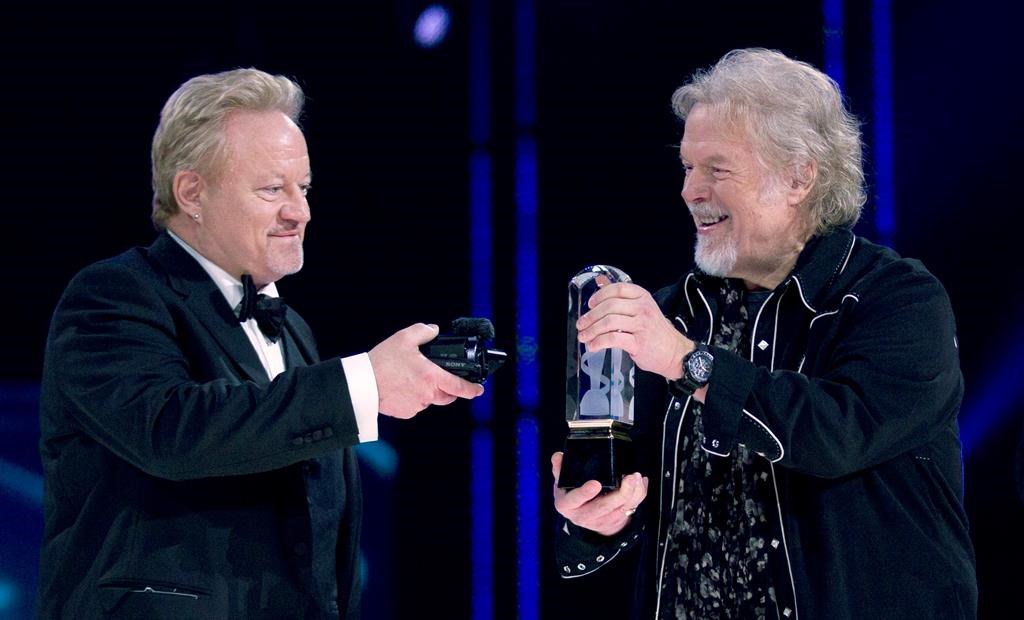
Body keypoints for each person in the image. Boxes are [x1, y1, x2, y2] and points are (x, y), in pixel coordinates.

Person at [36, 68, 484, 619]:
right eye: (273, 189)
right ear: (192, 193)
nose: (301, 211)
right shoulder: (114, 295)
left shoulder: (293, 328)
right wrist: (364, 383)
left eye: (304, 188)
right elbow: (173, 430)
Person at [552, 49, 976, 619]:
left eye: (717, 169)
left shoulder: (897, 300)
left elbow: (836, 435)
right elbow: (636, 490)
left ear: (798, 176)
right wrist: (595, 517)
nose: (690, 190)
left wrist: (688, 362)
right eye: (687, 167)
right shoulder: (674, 314)